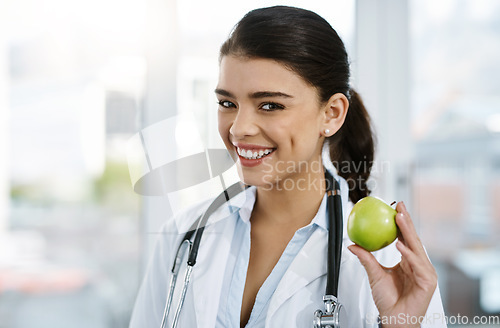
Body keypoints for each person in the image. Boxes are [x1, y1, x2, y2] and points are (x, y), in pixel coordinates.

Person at [130, 6, 446, 328]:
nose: (239, 129)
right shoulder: (182, 237)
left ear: (332, 114)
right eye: (228, 104)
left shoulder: (390, 264)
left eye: (270, 105)